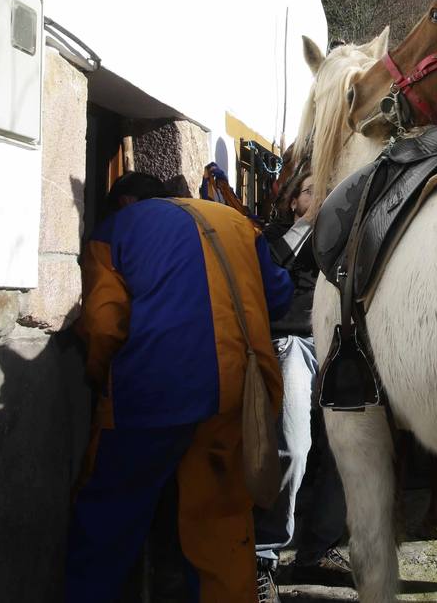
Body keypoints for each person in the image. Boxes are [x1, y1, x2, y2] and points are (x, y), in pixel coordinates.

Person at [67, 171, 293, 603]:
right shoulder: (233, 220)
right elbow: (277, 296)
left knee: (108, 521)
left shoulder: (115, 229)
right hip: (234, 392)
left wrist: (98, 379)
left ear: (126, 201)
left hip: (149, 397)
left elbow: (104, 325)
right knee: (221, 522)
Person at [251, 171, 351, 584]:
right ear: (293, 201)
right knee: (293, 448)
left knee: (344, 450)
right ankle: (263, 557)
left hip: (339, 346)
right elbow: (269, 268)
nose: (322, 198)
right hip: (292, 345)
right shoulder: (272, 237)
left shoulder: (341, 235)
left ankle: (318, 550)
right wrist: (306, 224)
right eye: (311, 192)